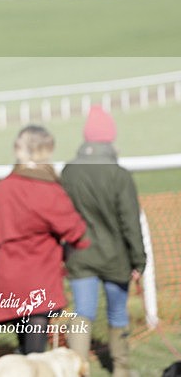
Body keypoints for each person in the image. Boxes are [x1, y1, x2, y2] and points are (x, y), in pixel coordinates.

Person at [0, 125, 89, 354]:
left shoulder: (3, 189)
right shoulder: (45, 188)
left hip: (7, 275)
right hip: (38, 274)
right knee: (35, 348)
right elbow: (74, 230)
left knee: (23, 340)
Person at [62, 105, 146, 377]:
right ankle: (121, 370)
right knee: (117, 314)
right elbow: (130, 222)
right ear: (110, 137)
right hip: (116, 258)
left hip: (79, 255)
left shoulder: (69, 172)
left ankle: (77, 369)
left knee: (82, 312)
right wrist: (139, 260)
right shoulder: (119, 175)